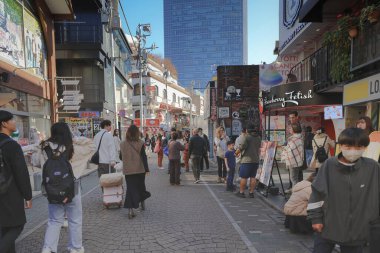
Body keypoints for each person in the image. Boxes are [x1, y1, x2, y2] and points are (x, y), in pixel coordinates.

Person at [308, 128, 380, 253]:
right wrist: (316, 219)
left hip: (357, 229)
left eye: (359, 147)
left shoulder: (372, 167)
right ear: (340, 146)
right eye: (348, 146)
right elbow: (316, 194)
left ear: (365, 148)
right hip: (328, 224)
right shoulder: (329, 165)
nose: (353, 151)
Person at [40, 122, 84, 253]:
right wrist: (75, 138)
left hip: (52, 189)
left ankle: (48, 248)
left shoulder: (44, 147)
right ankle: (75, 248)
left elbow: (35, 161)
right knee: (75, 219)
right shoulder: (72, 146)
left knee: (54, 219)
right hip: (72, 188)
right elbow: (91, 145)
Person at [0, 110, 32, 253]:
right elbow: (21, 173)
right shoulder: (11, 145)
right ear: (4, 123)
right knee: (17, 225)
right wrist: (28, 195)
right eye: (12, 120)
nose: (15, 122)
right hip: (10, 192)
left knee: (3, 228)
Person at [120, 125, 150, 219]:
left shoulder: (122, 144)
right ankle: (142, 202)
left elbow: (121, 157)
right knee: (140, 186)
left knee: (130, 188)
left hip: (128, 170)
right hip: (139, 169)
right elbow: (143, 157)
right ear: (137, 132)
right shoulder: (140, 143)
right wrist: (147, 169)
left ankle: (130, 210)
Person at [235, 125, 261, 198]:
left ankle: (241, 192)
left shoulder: (247, 137)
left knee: (244, 177)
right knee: (253, 177)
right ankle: (251, 193)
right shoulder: (258, 138)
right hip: (255, 160)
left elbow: (242, 147)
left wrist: (236, 153)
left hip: (246, 160)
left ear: (247, 130)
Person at [283, 123, 304, 193]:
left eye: (290, 128)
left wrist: (284, 149)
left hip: (293, 161)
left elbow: (290, 149)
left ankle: (295, 193)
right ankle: (295, 191)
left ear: (294, 129)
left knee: (293, 178)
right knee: (295, 177)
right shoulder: (299, 137)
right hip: (297, 160)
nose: (289, 129)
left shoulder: (294, 139)